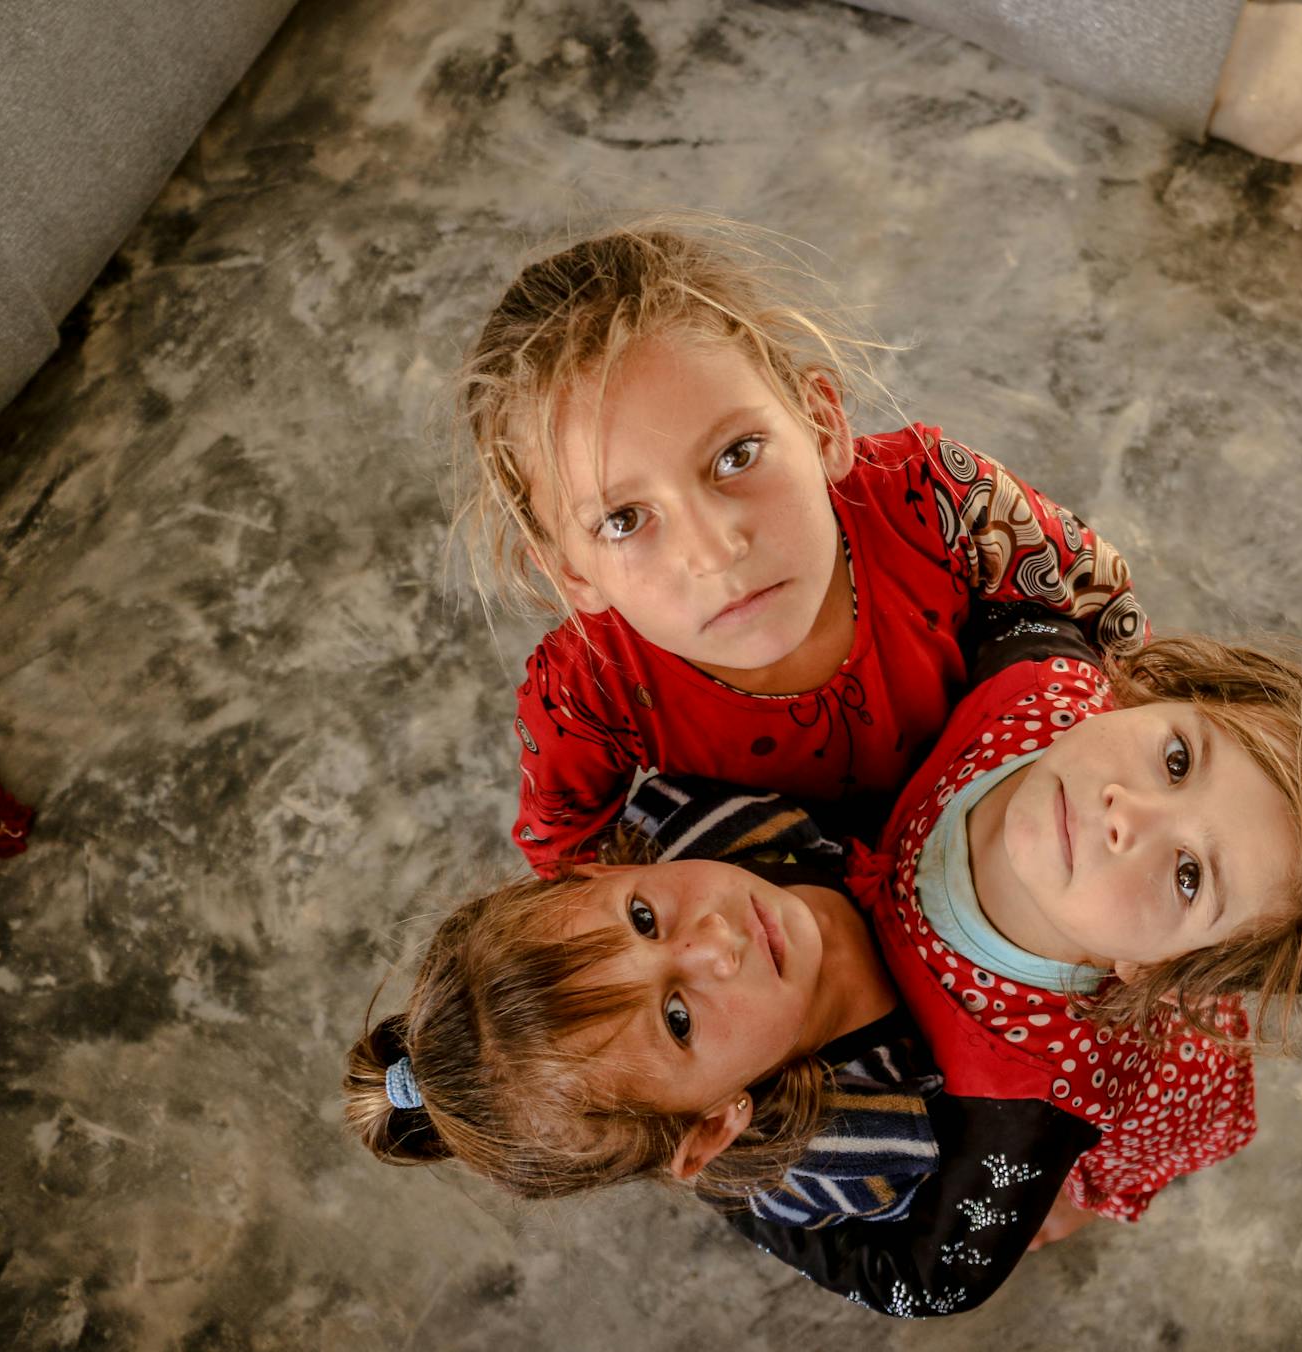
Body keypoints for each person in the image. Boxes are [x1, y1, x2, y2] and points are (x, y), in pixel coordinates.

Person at [454, 215, 1146, 872]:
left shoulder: (932, 495)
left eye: (736, 455)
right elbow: (569, 862)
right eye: (624, 520)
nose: (715, 549)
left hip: (1012, 832)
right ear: (569, 574)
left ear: (821, 423)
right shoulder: (589, 691)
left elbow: (1099, 598)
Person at [343, 784, 1100, 1316]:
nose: (714, 938)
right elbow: (991, 1159)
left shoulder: (697, 821)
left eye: (643, 916)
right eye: (677, 1017)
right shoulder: (865, 1141)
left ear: (600, 868)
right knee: (1059, 1200)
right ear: (711, 1125)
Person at [845, 624, 1302, 1237]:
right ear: (1157, 696)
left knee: (1045, 1197)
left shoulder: (1046, 1092)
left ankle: (1070, 1207)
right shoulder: (1042, 691)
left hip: (1142, 1102)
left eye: (1189, 876)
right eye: (1178, 760)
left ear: (1166, 970)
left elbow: (941, 1272)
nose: (1124, 812)